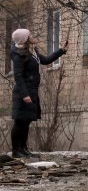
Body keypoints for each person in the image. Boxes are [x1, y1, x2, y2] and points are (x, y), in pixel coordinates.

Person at [10, 28, 68, 158]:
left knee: (27, 120)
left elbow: (46, 60)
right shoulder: (18, 55)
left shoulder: (32, 51)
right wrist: (25, 95)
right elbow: (18, 76)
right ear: (24, 39)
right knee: (19, 121)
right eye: (29, 35)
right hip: (22, 93)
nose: (32, 36)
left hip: (32, 91)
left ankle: (23, 148)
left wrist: (61, 51)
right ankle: (16, 150)